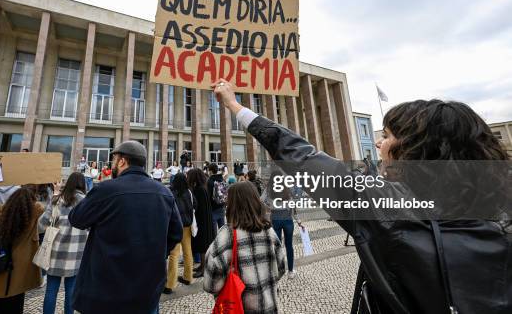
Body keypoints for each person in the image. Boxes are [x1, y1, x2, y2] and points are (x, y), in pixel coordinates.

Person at [213, 79, 512, 313]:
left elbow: (302, 157)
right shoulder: (500, 214)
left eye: (388, 135)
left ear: (415, 149)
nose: (379, 144)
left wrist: (235, 106)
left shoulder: (391, 208)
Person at [69, 140, 183, 314]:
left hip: (105, 289)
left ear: (122, 161)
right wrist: (157, 253)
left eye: (114, 160)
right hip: (147, 288)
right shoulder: (164, 192)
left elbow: (76, 218)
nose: (112, 164)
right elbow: (176, 233)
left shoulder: (105, 190)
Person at [203, 182, 286, 313]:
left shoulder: (226, 235)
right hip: (269, 308)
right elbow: (281, 268)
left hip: (240, 308)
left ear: (231, 204)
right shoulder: (268, 230)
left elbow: (210, 284)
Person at [0, 184, 45, 314]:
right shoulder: (35, 210)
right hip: (20, 269)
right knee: (15, 301)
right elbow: (43, 207)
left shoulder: (6, 210)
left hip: (0, 261)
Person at [39, 173, 88, 314]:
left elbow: (41, 225)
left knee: (51, 291)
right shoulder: (86, 202)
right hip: (76, 253)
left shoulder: (57, 200)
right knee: (71, 291)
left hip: (55, 252)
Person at [262, 168, 302, 279]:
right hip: (288, 220)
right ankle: (290, 271)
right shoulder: (286, 188)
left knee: (276, 247)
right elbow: (292, 205)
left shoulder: (269, 189)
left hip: (275, 219)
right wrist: (298, 220)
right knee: (289, 246)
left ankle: (277, 271)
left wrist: (269, 206)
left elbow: (261, 200)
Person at [164, 173, 196, 294]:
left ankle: (170, 284)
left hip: (175, 226)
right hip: (187, 225)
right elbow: (195, 205)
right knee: (188, 251)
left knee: (174, 254)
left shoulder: (172, 192)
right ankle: (188, 277)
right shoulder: (189, 192)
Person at [186, 168, 215, 279]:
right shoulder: (202, 187)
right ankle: (202, 266)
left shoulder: (200, 189)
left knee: (203, 245)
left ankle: (203, 268)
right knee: (202, 244)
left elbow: (198, 206)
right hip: (204, 219)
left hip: (202, 220)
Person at [206, 163, 226, 232]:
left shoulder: (210, 181)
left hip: (213, 208)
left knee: (214, 232)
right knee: (222, 230)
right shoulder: (221, 178)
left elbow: (209, 196)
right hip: (221, 206)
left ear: (210, 171)